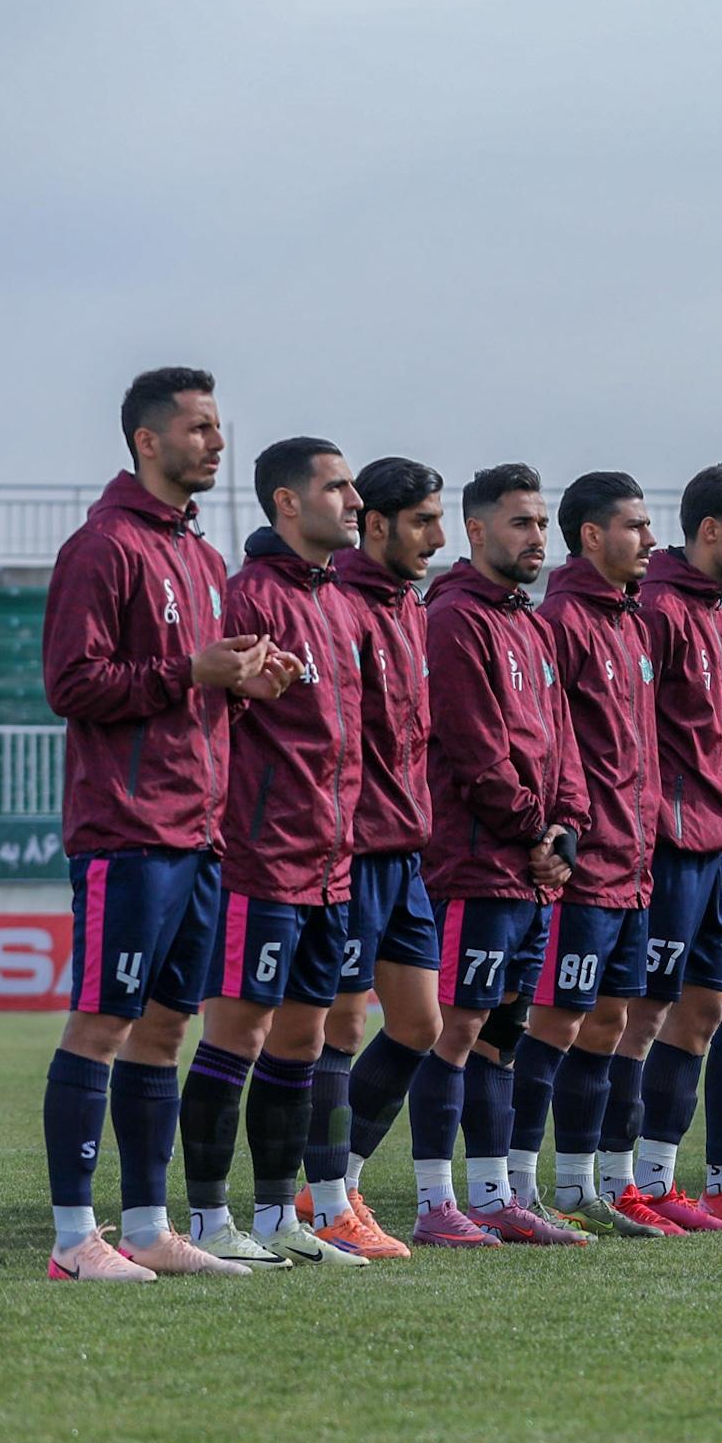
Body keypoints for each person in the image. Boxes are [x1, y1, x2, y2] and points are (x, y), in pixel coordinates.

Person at [40, 368, 296, 1282]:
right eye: (198, 428)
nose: (217, 443)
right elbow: (71, 684)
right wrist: (190, 672)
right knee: (102, 1025)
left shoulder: (202, 555)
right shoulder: (102, 546)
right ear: (148, 440)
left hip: (200, 831)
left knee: (161, 1033)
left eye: (218, 427)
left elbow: (197, 687)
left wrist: (247, 687)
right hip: (128, 828)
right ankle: (73, 1240)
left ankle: (148, 1228)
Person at [180, 437, 373, 1268]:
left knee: (303, 1041)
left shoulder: (340, 604)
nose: (355, 501)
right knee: (240, 1034)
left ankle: (274, 1217)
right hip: (262, 858)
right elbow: (210, 721)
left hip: (333, 863)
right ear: (288, 502)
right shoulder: (249, 596)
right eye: (337, 487)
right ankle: (205, 1219)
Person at [586, 464, 722, 1231]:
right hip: (667, 846)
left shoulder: (718, 616)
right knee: (639, 1015)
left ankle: (661, 1180)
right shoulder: (657, 610)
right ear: (710, 531)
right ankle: (609, 1180)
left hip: (716, 846)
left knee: (700, 1011)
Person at [412, 463, 587, 1244]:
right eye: (521, 523)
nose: (536, 537)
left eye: (541, 523)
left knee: (501, 1038)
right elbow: (474, 750)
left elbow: (563, 746)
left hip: (530, 870)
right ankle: (433, 1204)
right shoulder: (454, 618)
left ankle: (492, 1197)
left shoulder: (532, 622)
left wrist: (566, 830)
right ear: (476, 529)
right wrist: (535, 830)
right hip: (477, 864)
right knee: (452, 1031)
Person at [307, 456, 449, 1255]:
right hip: (355, 850)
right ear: (376, 523)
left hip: (405, 852)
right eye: (422, 521)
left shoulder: (410, 607)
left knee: (420, 1024)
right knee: (337, 1026)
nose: (436, 537)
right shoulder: (342, 605)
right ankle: (326, 1202)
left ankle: (339, 1183)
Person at [527, 471, 667, 1237]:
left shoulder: (631, 621)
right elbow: (550, 741)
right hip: (585, 863)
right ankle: (514, 1184)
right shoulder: (561, 621)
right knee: (556, 1022)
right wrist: (564, 830)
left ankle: (580, 1187)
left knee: (611, 1022)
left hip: (634, 866)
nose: (649, 539)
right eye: (635, 526)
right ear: (591, 535)